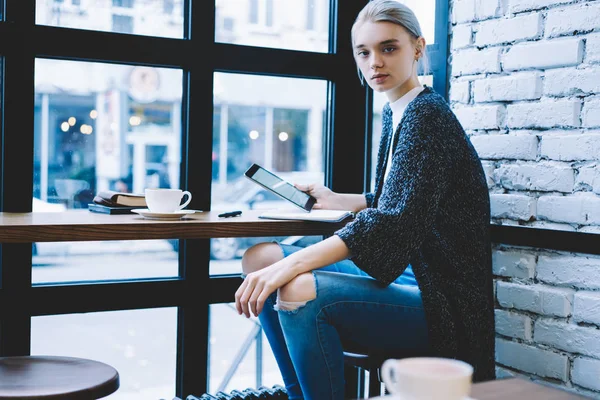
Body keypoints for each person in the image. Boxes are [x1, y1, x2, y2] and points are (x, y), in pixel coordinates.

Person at [234, 1, 495, 399]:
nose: (375, 62)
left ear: (418, 48)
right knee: (260, 259)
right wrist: (341, 199)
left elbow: (393, 224)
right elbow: (406, 200)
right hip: (412, 272)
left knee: (296, 286)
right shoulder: (398, 112)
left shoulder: (428, 116)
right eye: (364, 52)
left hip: (443, 298)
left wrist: (291, 264)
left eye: (389, 48)